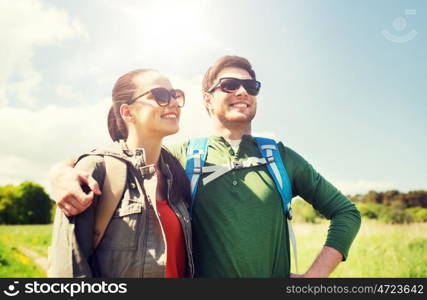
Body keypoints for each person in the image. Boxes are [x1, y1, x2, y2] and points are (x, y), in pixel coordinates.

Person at [49, 56, 361, 278]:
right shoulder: (181, 156)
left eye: (251, 86)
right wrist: (61, 172)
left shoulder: (281, 158)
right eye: (229, 85)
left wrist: (314, 277)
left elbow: (346, 212)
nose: (242, 92)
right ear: (208, 99)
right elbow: (124, 160)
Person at [48, 69, 194, 278]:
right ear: (127, 112)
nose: (172, 102)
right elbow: (68, 271)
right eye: (161, 95)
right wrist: (59, 172)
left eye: (175, 95)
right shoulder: (95, 170)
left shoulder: (177, 172)